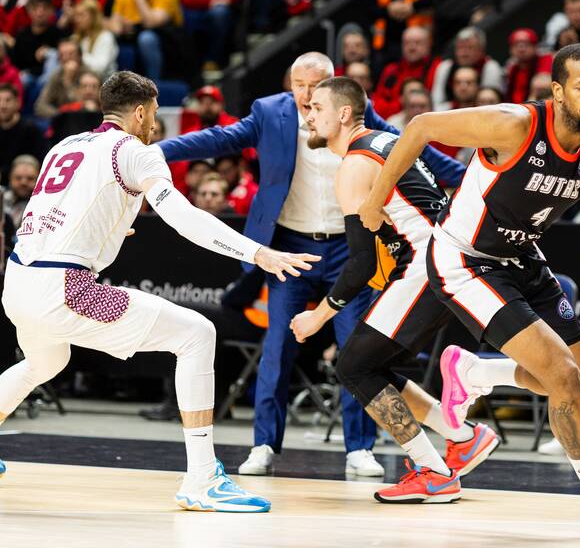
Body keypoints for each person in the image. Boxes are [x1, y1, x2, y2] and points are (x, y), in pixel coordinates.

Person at [0, 71, 317, 513]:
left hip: (18, 281)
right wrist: (257, 253)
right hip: (66, 288)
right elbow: (183, 217)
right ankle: (201, 479)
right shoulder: (135, 151)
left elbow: (59, 213)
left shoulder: (65, 145)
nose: (155, 123)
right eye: (154, 114)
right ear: (139, 112)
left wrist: (113, 227)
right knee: (197, 333)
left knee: (46, 360)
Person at [359, 43, 580, 541]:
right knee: (563, 376)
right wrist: (375, 201)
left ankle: (476, 371)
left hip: (522, 254)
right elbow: (420, 126)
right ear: (557, 90)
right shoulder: (514, 124)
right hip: (466, 259)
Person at [158, 52, 465, 478]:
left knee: (355, 349)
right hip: (290, 246)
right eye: (297, 84)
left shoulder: (358, 113)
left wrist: (473, 175)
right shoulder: (269, 112)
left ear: (334, 88)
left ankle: (360, 449)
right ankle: (264, 444)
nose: (304, 94)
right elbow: (217, 139)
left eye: (314, 85)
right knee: (277, 350)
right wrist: (158, 152)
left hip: (350, 246)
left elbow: (412, 152)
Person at [290, 77, 499, 503]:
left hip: (424, 266)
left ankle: (433, 470)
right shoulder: (388, 141)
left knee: (352, 367)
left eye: (315, 107)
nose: (307, 115)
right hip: (446, 260)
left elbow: (361, 264)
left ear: (344, 114)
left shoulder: (354, 165)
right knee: (373, 366)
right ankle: (461, 437)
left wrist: (318, 316)